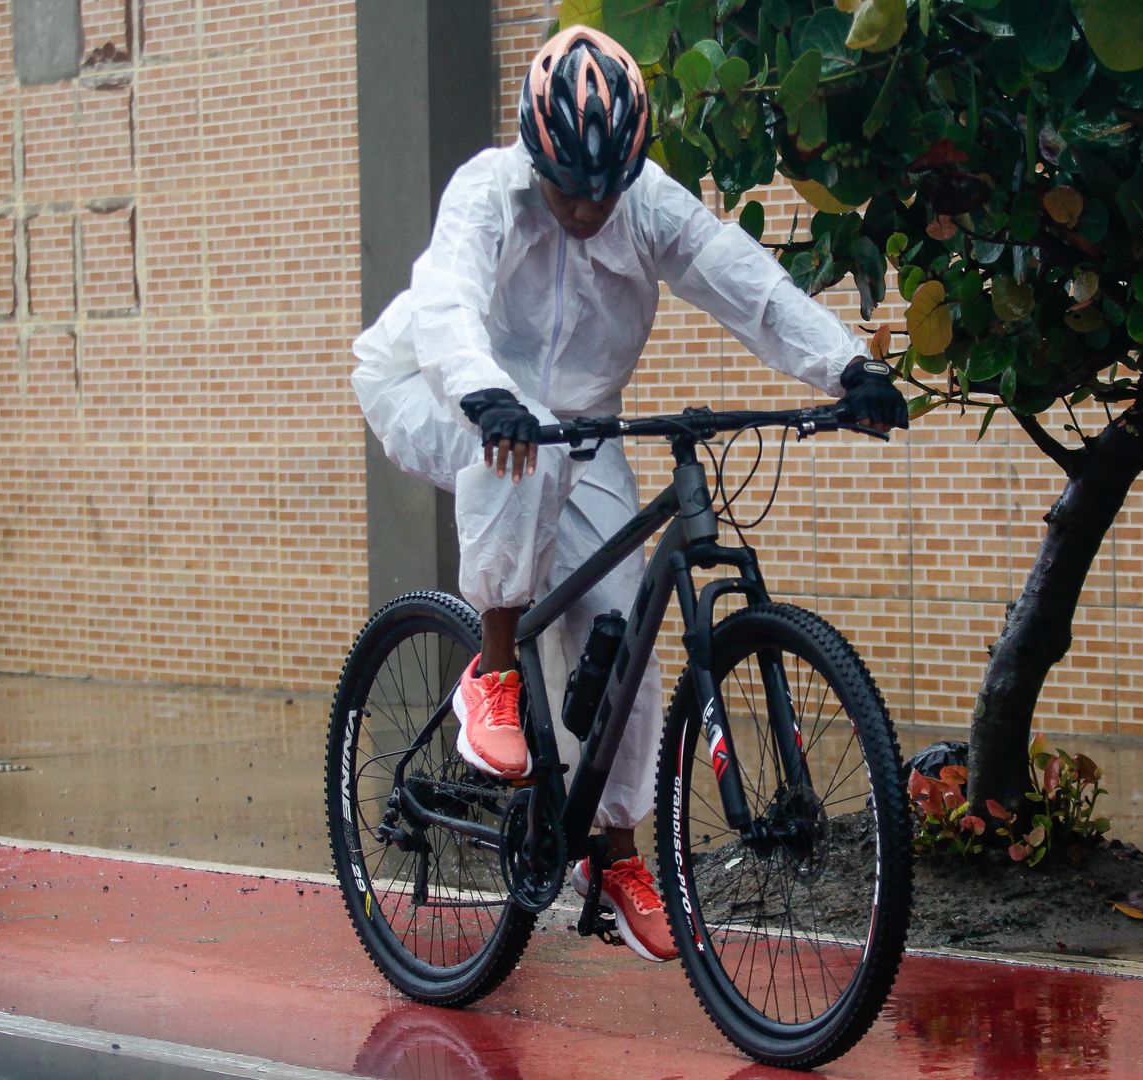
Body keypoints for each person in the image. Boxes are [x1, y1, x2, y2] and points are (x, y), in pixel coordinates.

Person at [351, 26, 907, 963]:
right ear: (537, 153)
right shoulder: (487, 190)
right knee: (515, 451)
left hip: (582, 422)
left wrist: (845, 367)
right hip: (434, 383)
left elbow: (751, 288)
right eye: (569, 187)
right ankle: (491, 668)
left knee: (628, 633)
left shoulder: (647, 206)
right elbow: (445, 297)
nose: (584, 209)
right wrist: (482, 393)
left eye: (603, 191)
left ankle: (613, 855)